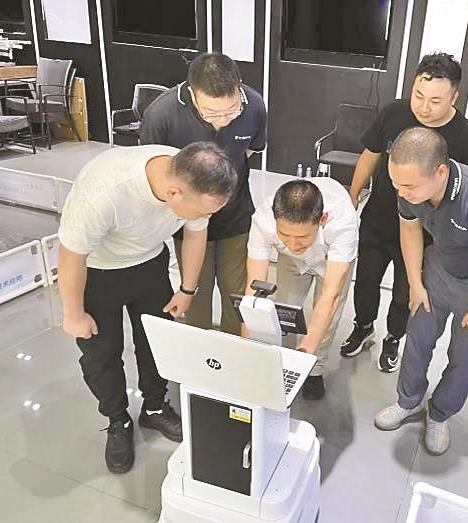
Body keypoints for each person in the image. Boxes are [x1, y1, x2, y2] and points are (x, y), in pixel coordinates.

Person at [57, 142, 237, 473]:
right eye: (203, 212)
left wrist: (187, 289)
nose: (205, 218)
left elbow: (195, 235)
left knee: (157, 341)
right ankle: (118, 420)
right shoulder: (103, 192)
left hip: (150, 264)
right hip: (97, 272)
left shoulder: (193, 178)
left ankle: (154, 407)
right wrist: (73, 313)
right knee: (101, 354)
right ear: (173, 193)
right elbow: (71, 255)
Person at [373, 128, 468, 456]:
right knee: (419, 337)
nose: (401, 192)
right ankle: (408, 401)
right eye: (396, 183)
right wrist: (415, 283)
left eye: (409, 186)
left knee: (466, 354)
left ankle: (440, 414)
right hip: (438, 266)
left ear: (440, 172)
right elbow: (409, 228)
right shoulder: (406, 187)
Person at [343, 52, 468, 373]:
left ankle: (393, 337)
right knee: (365, 281)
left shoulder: (465, 136)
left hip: (426, 233)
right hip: (378, 220)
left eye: (435, 101)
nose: (423, 107)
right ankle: (363, 327)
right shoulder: (394, 113)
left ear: (454, 97)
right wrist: (353, 194)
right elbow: (370, 154)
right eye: (418, 95)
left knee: (406, 291)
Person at [140, 52, 267, 335]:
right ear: (191, 94)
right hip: (187, 219)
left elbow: (249, 152)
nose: (223, 121)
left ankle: (234, 350)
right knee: (195, 291)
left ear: (238, 88)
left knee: (236, 293)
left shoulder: (254, 105)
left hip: (235, 215)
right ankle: (200, 353)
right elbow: (154, 169)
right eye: (211, 113)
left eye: (231, 111)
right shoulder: (161, 115)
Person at [244, 178, 359, 400]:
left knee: (328, 315)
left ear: (322, 219)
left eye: (302, 236)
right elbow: (254, 288)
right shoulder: (263, 219)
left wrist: (304, 355)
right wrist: (250, 346)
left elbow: (330, 296)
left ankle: (315, 370)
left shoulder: (342, 223)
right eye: (284, 235)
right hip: (290, 262)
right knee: (283, 307)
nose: (293, 244)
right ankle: (279, 359)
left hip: (331, 259)